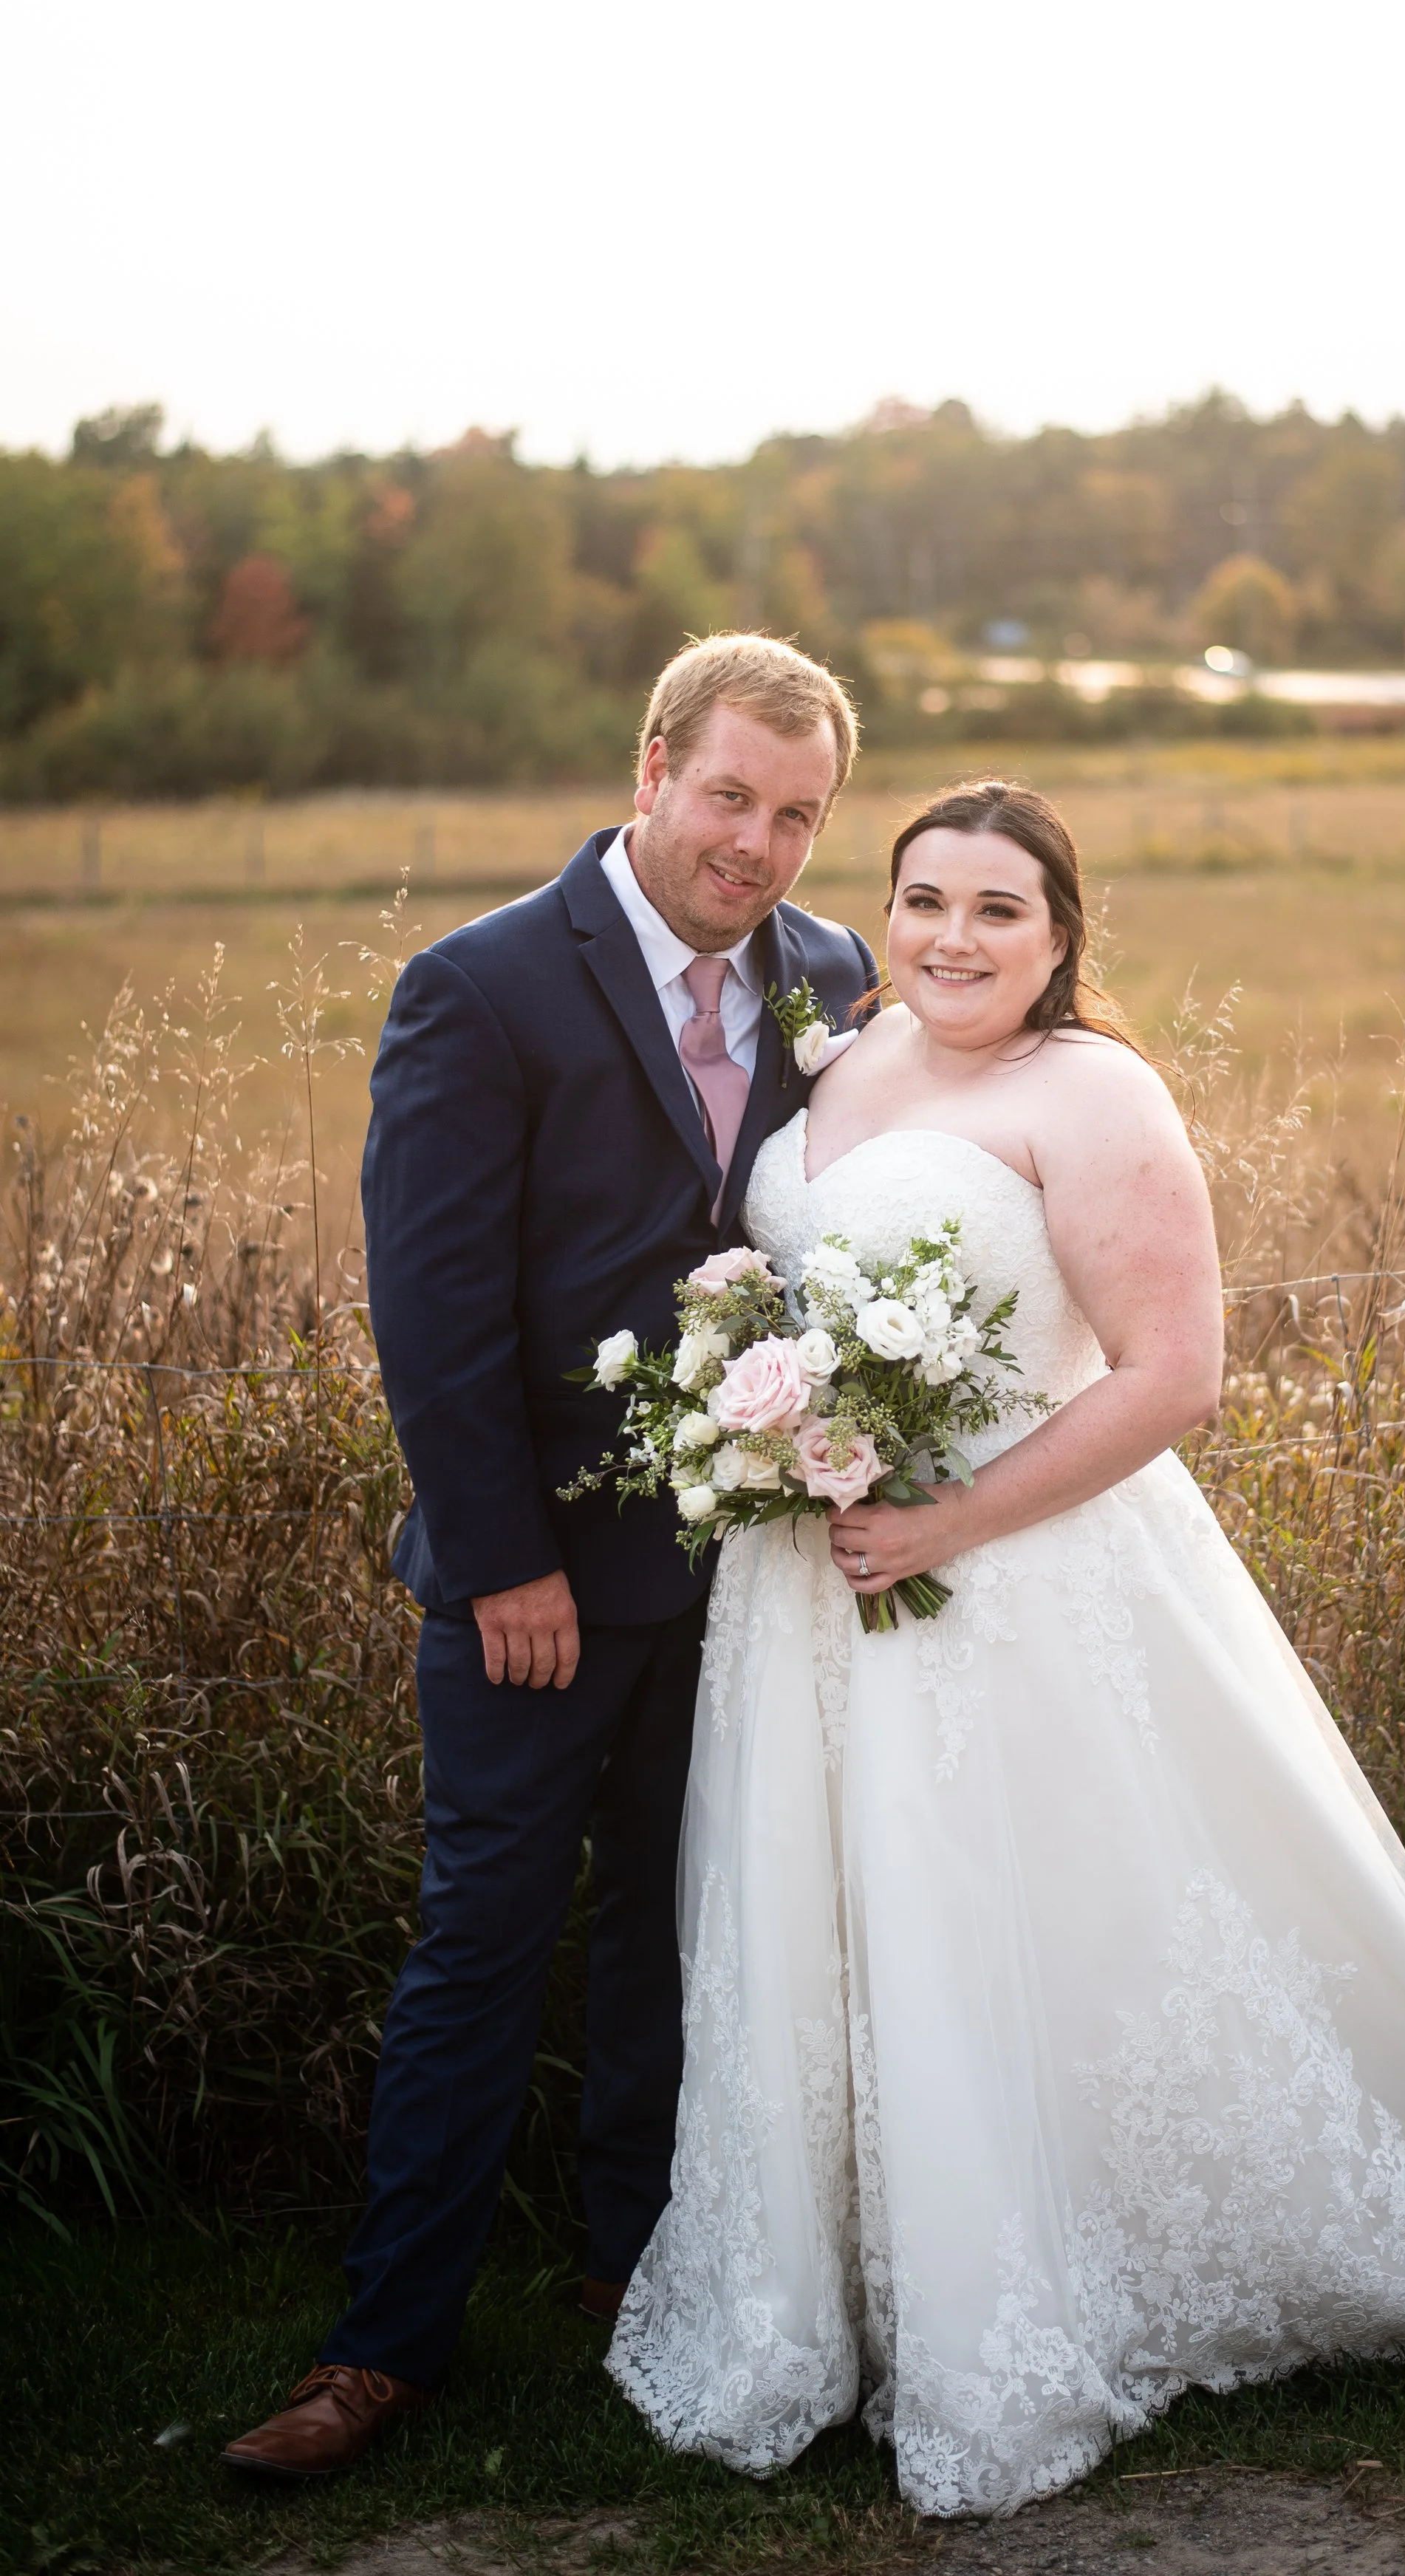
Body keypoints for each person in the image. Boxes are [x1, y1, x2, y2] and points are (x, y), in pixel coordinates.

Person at [608, 778, 1405, 2521]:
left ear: (1059, 935)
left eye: (996, 910)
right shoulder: (841, 1061)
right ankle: (839, 2288)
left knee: (1040, 1925)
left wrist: (942, 1523)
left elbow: (1172, 1377)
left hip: (1012, 1583)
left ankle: (1047, 2273)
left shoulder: (1092, 1093)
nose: (951, 936)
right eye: (923, 899)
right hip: (807, 1594)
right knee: (839, 1927)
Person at [222, 635, 878, 2481]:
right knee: (481, 1948)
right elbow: (428, 1312)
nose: (755, 846)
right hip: (533, 1588)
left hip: (735, 1577)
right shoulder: (484, 987)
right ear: (653, 763)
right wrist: (506, 1561)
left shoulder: (826, 972)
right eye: (732, 796)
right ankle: (383, 2347)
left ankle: (634, 2279)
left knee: (685, 1938)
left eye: (797, 817)